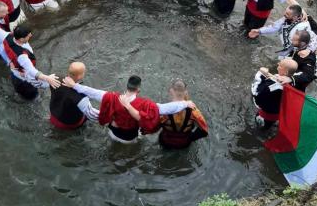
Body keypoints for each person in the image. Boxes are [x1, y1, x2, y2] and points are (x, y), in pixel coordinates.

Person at [62, 75, 196, 144]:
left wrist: (74, 85)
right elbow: (165, 108)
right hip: (130, 137)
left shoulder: (112, 97)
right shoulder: (145, 104)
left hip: (113, 133)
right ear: (138, 89)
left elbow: (92, 92)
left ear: (126, 87)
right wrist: (185, 103)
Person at [0, 10, 60, 99]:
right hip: (24, 79)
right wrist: (48, 78)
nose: (30, 35)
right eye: (28, 35)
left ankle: (20, 95)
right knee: (33, 97)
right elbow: (31, 71)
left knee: (20, 91)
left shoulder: (7, 36)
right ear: (22, 39)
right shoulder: (22, 56)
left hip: (15, 73)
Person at [248, 4, 317, 57]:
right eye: (285, 12)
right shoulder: (286, 18)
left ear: (295, 17)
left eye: (287, 14)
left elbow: (316, 39)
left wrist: (308, 51)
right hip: (288, 49)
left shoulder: (303, 27)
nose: (284, 14)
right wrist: (259, 31)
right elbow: (274, 27)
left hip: (298, 52)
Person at [158, 79, 208, 149]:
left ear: (171, 91)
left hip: (166, 142)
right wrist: (191, 138)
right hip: (184, 143)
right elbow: (204, 131)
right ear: (186, 92)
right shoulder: (194, 111)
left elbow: (153, 127)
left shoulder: (163, 111)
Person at [49, 62, 99, 129]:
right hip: (69, 124)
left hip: (53, 117)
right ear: (79, 76)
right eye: (83, 72)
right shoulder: (81, 95)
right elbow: (91, 114)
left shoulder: (55, 77)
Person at [251, 58, 298, 128]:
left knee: (260, 128)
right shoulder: (293, 82)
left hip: (265, 116)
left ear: (285, 72)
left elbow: (255, 93)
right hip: (277, 113)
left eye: (280, 65)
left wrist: (260, 74)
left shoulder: (273, 87)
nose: (278, 64)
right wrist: (272, 78)